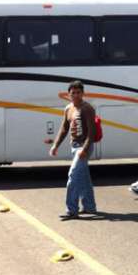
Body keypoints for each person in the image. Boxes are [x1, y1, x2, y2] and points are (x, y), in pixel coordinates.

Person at [50, 80, 97, 220]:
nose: (76, 95)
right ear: (69, 94)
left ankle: (71, 210)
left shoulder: (87, 109)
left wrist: (84, 149)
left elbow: (91, 133)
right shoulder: (68, 108)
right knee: (83, 177)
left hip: (84, 147)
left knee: (73, 176)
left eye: (78, 92)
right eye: (73, 93)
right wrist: (55, 145)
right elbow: (64, 128)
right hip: (74, 146)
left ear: (83, 93)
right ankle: (89, 206)